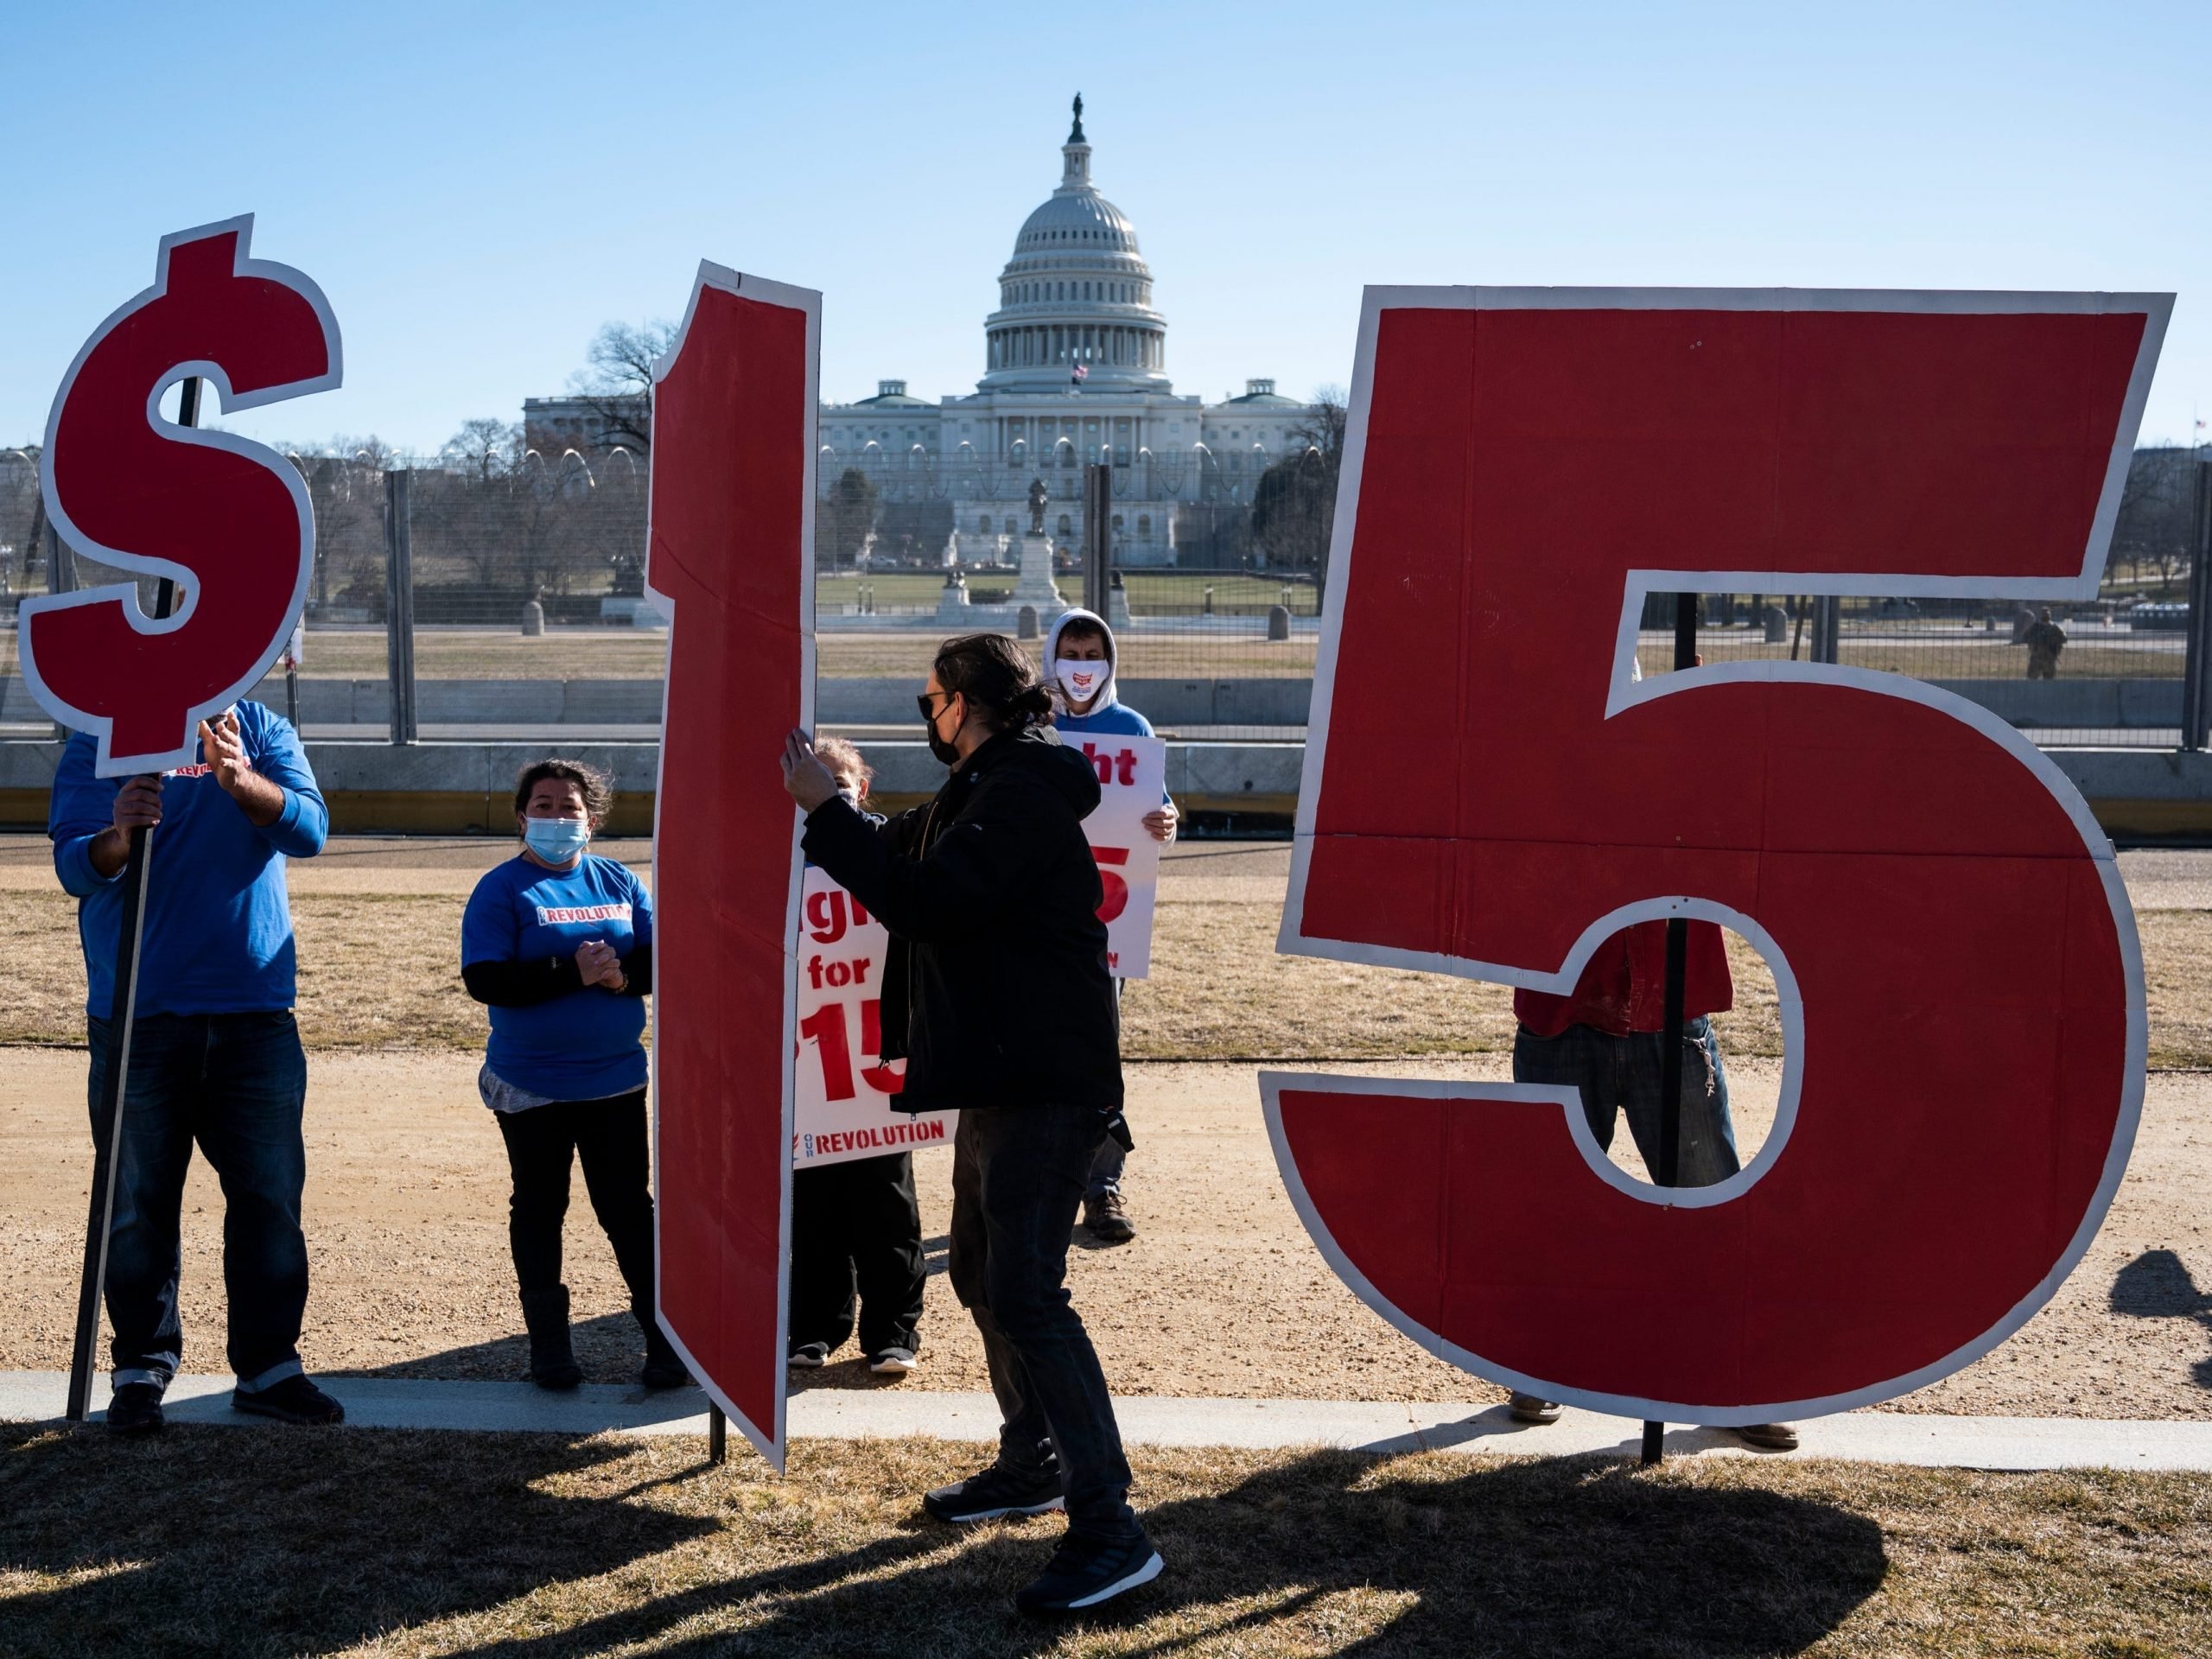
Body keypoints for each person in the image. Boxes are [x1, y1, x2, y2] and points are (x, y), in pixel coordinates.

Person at [781, 632, 1164, 1616]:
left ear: (964, 702)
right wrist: (838, 810)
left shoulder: (1024, 788)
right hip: (1006, 1077)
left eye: (929, 700)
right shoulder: (984, 788)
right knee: (987, 1278)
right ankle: (1030, 1463)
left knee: (1029, 1296)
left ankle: (1112, 1532)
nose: (926, 716)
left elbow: (930, 900)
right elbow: (907, 842)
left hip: (1045, 1084)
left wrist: (829, 817)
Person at [48, 702, 342, 1433]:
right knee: (137, 1206)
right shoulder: (105, 733)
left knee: (270, 1200)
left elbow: (309, 831)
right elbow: (73, 868)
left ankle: (270, 1368)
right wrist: (117, 837)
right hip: (139, 1016)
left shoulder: (264, 730)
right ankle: (141, 1368)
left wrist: (244, 783)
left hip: (254, 1013)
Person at [1504, 920, 1798, 1452]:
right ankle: (1541, 1365)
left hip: (1673, 1013)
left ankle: (1732, 1381)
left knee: (1709, 1202)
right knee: (1553, 1207)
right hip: (1560, 1015)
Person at [461, 759, 689, 1392]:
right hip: (530, 1084)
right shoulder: (501, 889)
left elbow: (664, 962)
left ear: (592, 821)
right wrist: (572, 971)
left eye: (570, 807)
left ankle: (666, 1344)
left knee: (628, 1211)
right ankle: (550, 1350)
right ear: (521, 817)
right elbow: (485, 980)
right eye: (544, 805)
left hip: (614, 1080)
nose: (557, 817)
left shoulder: (619, 879)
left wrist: (621, 978)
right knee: (539, 1208)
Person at [786, 736, 927, 1378]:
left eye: (839, 779)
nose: (829, 787)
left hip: (877, 1057)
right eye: (816, 777)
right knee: (812, 1203)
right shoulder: (778, 858)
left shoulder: (895, 847)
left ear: (861, 788)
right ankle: (815, 1328)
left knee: (885, 1200)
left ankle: (893, 1332)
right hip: (808, 1060)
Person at [1041, 606, 1177, 1245]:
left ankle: (1101, 1186)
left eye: (1093, 654)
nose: (1082, 666)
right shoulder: (1032, 723)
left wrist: (1166, 823)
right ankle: (1037, 1184)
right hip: (1033, 922)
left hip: (1104, 926)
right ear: (1051, 657)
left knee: (1099, 1055)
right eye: (1071, 652)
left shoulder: (1131, 726)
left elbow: (1155, 805)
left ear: (1109, 661)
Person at [2024, 607, 2067, 679]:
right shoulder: (2035, 627)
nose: (2045, 614)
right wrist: (2034, 643)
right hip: (2037, 657)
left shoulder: (2055, 627)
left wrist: (2053, 641)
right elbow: (2025, 637)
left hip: (2049, 657)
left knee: (2049, 682)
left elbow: (2064, 638)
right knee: (2032, 680)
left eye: (2047, 613)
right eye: (2044, 613)